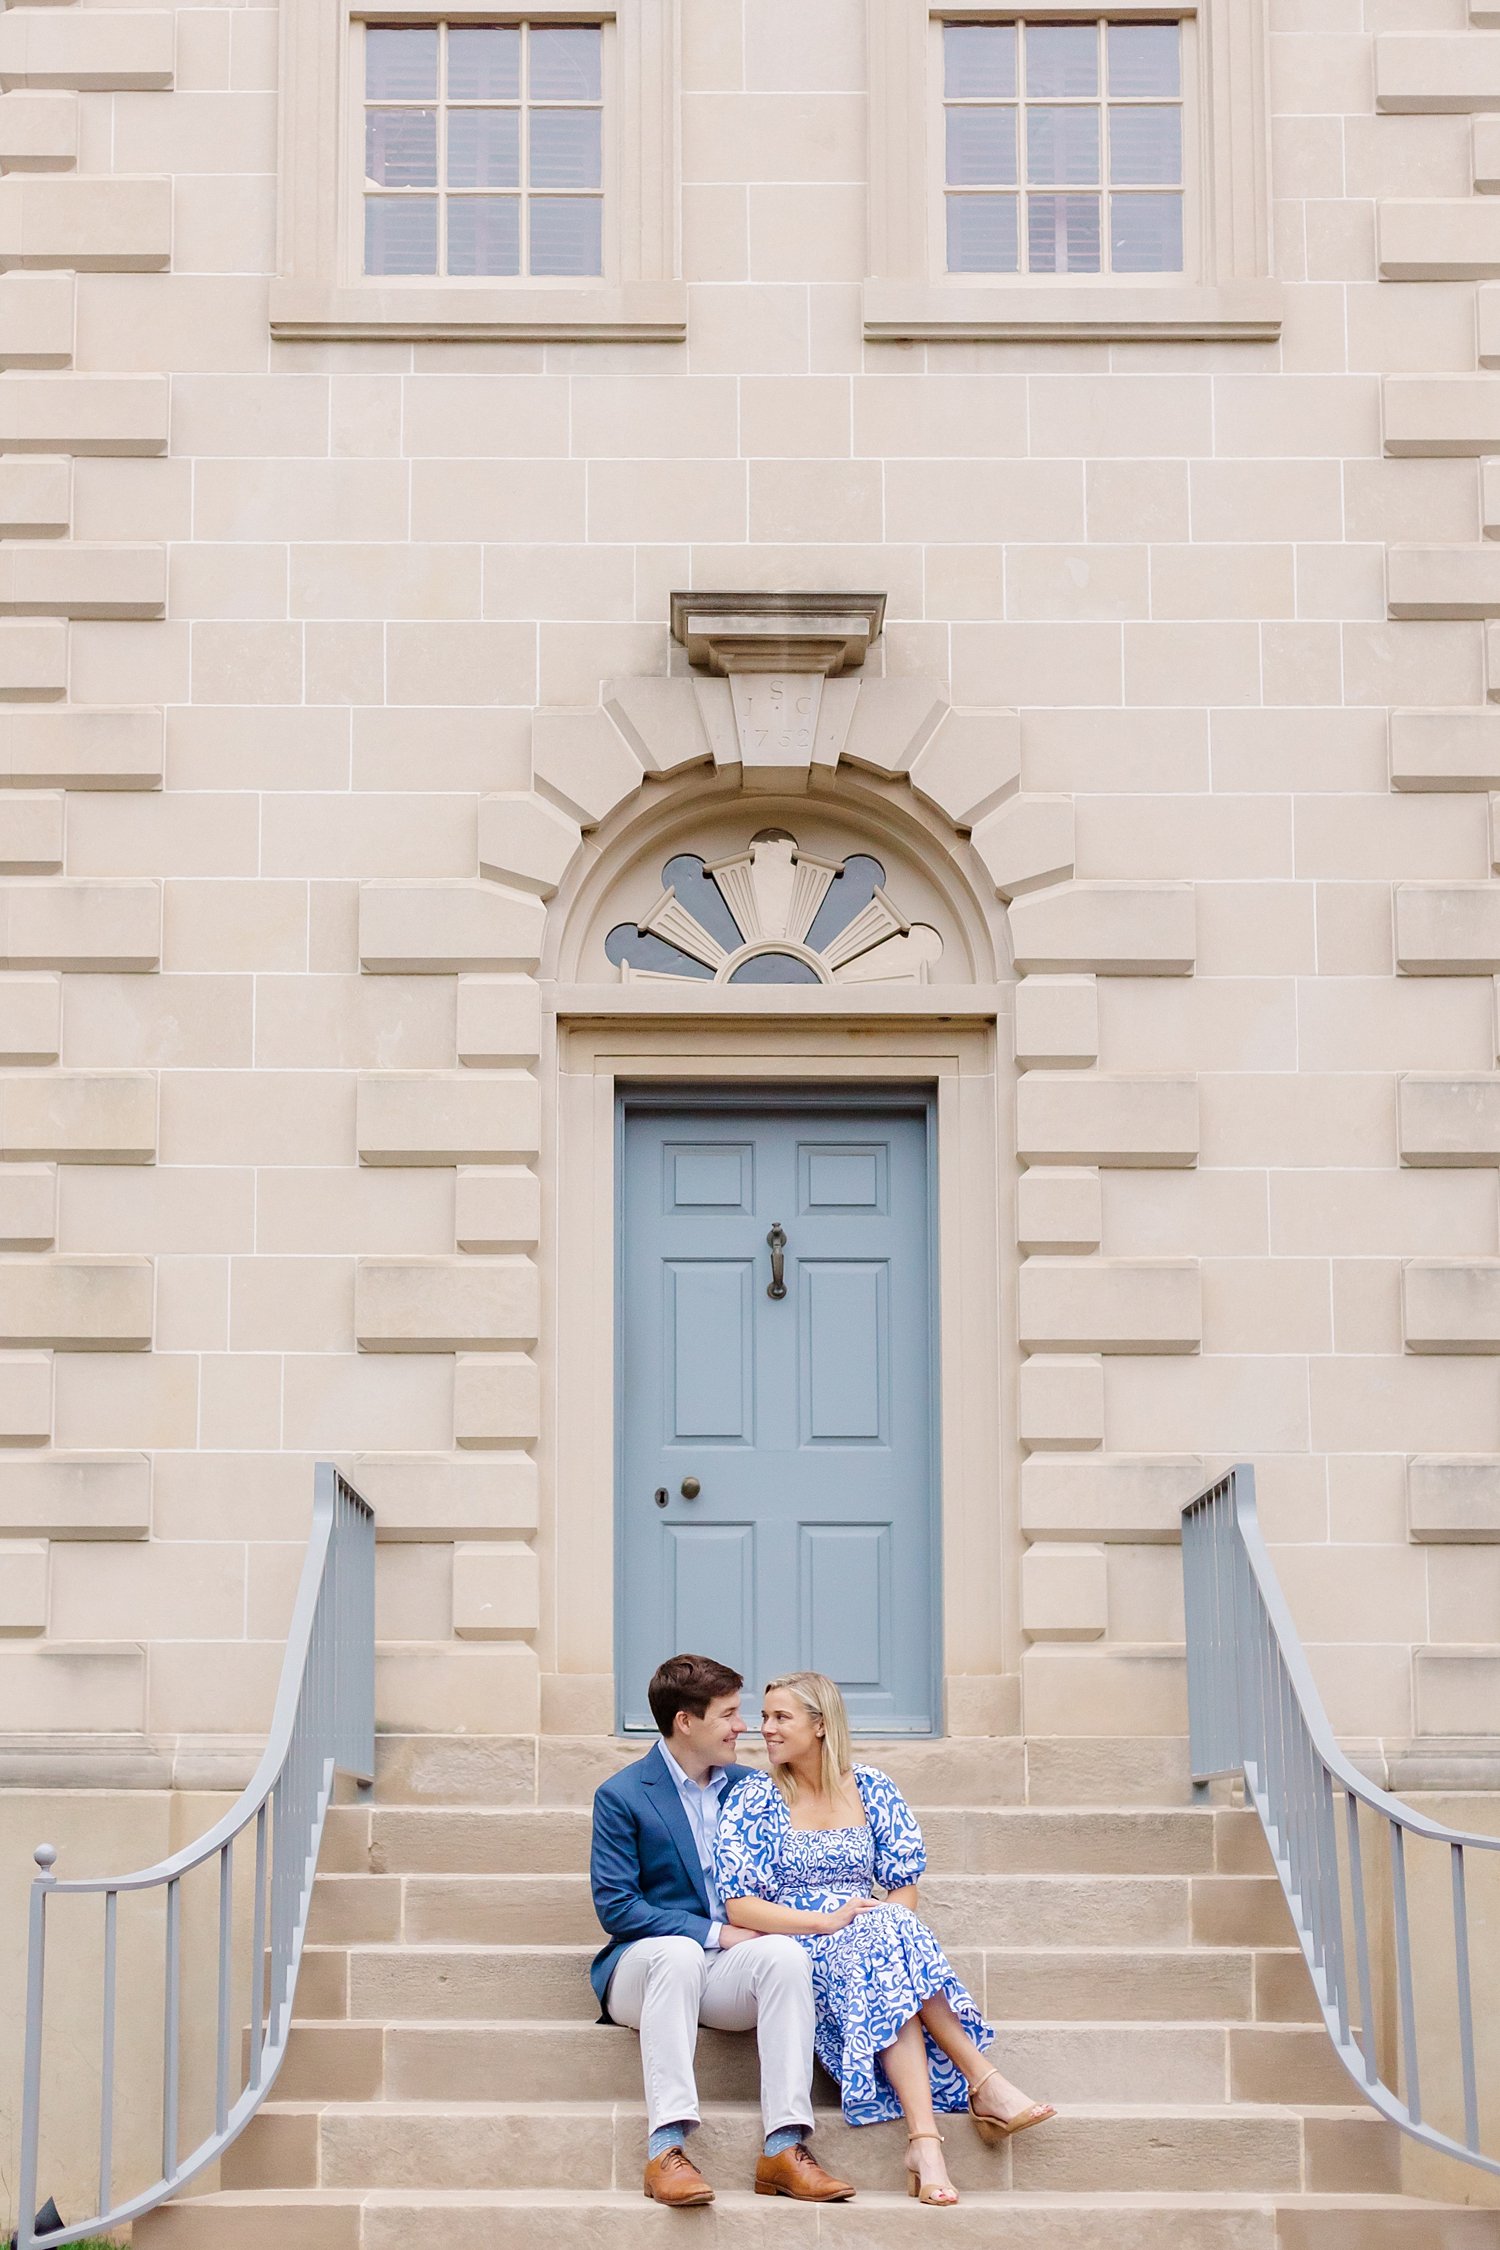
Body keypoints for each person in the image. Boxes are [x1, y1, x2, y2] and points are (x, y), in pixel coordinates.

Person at [714, 1670, 1057, 2209]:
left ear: (821, 1726)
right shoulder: (756, 1796)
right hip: (799, 1948)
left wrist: (871, 1926)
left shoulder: (871, 1788)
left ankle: (926, 2145)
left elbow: (903, 1889)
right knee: (884, 1936)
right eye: (763, 1717)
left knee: (888, 1929)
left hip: (874, 1942)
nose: (766, 1729)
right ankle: (980, 2083)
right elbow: (741, 1905)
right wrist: (826, 1923)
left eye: (781, 1717)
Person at [588, 1652, 856, 2209]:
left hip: (725, 1974)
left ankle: (784, 2147)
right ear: (685, 1722)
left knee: (785, 1958)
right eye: (729, 1714)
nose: (745, 1727)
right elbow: (617, 1907)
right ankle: (667, 2149)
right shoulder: (623, 1795)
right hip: (646, 1968)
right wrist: (714, 1933)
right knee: (679, 1953)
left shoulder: (750, 1787)